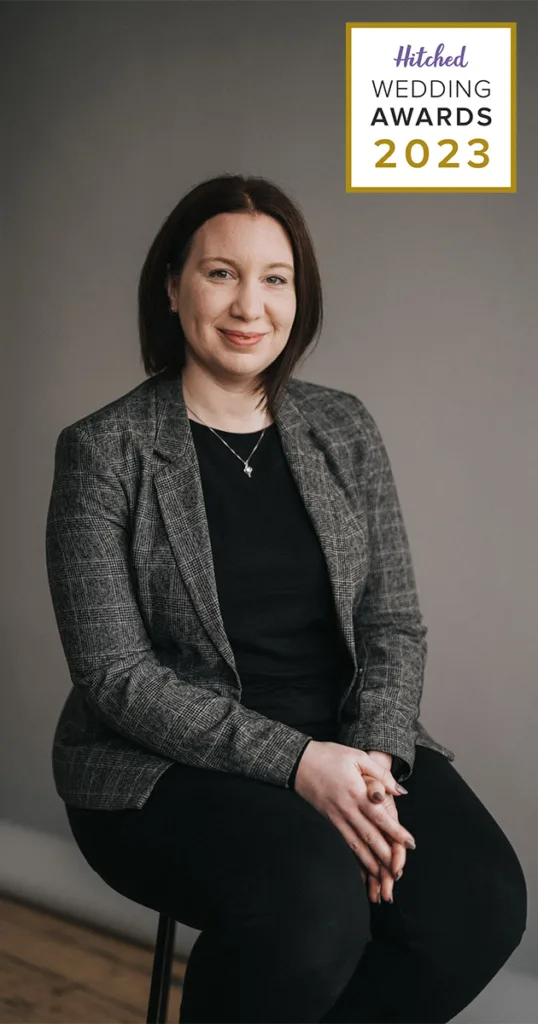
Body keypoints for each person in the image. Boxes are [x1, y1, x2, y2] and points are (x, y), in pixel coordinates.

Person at [45, 174, 527, 1024]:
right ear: (172, 284)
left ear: (299, 297)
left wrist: (371, 758)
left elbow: (392, 621)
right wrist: (302, 767)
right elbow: (117, 678)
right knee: (312, 904)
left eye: (276, 278)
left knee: (479, 902)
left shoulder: (343, 427)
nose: (249, 305)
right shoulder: (103, 451)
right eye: (220, 273)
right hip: (166, 762)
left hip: (344, 735)